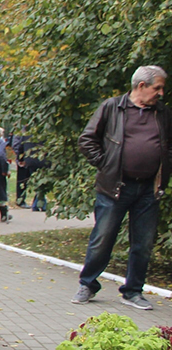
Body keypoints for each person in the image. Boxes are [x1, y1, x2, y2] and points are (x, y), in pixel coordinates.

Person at [73, 65, 171, 310]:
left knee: (143, 243)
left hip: (149, 189)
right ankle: (88, 284)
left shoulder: (163, 113)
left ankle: (133, 292)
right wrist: (105, 164)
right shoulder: (112, 107)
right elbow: (87, 139)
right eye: (157, 88)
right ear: (141, 86)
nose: (160, 93)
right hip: (115, 187)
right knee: (103, 238)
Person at [12, 135, 46, 211]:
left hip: (29, 161)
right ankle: (39, 204)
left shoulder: (25, 135)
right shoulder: (44, 134)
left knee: (36, 183)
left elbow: (20, 147)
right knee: (40, 183)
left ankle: (37, 204)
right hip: (42, 162)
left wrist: (20, 159)